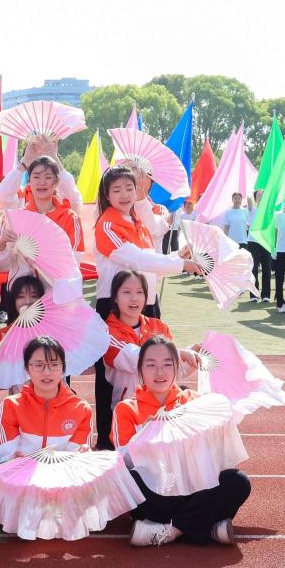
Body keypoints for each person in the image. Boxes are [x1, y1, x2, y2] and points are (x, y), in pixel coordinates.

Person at [93, 165, 203, 442]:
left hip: (145, 302)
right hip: (113, 303)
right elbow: (138, 260)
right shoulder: (107, 224)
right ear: (106, 195)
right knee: (110, 377)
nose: (125, 194)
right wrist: (181, 265)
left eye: (129, 188)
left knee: (154, 364)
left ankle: (151, 428)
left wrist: (178, 257)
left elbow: (151, 264)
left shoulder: (138, 223)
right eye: (117, 189)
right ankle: (108, 439)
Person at [113, 336, 251, 547]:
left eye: (167, 364)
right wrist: (147, 436)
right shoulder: (126, 409)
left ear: (177, 368)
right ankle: (208, 526)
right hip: (158, 490)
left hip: (195, 486)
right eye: (151, 365)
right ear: (140, 369)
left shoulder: (194, 401)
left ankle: (170, 531)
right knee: (126, 481)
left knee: (238, 482)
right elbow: (123, 462)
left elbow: (216, 450)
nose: (160, 372)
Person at [100, 271, 198, 446]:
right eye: (126, 292)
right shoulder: (107, 332)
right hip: (132, 412)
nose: (134, 298)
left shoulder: (158, 327)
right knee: (133, 457)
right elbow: (134, 357)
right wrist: (179, 353)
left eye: (140, 292)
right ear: (115, 297)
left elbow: (173, 371)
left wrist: (193, 359)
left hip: (164, 407)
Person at [0, 152, 85, 302]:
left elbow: (72, 264)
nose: (42, 182)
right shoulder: (17, 218)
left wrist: (39, 264)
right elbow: (3, 265)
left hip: (56, 298)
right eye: (36, 177)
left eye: (48, 177)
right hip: (21, 298)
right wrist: (1, 245)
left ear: (56, 182)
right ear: (29, 181)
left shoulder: (70, 218)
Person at [0, 336, 92, 462]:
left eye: (54, 364)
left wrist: (82, 454)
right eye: (38, 365)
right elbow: (5, 454)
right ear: (27, 368)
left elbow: (77, 458)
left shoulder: (82, 409)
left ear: (63, 368)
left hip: (62, 472)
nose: (46, 372)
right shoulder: (11, 405)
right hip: (23, 472)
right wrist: (11, 457)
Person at [245, 190, 272, 302]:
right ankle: (254, 294)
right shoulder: (252, 209)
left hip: (265, 242)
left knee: (266, 269)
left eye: (263, 195)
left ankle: (266, 295)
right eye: (259, 195)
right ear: (255, 198)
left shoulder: (269, 210)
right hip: (253, 242)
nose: (261, 197)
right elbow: (249, 200)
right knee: (253, 269)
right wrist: (249, 195)